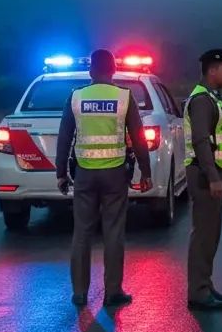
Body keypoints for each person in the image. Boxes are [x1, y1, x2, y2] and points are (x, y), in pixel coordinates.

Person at [55, 48, 152, 307]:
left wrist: (61, 173)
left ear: (90, 71)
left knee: (82, 233)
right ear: (113, 70)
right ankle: (112, 291)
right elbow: (139, 139)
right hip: (115, 174)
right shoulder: (124, 97)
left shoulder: (76, 97)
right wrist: (146, 173)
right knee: (113, 232)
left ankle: (79, 292)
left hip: (85, 174)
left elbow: (64, 137)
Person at [184, 48, 222, 311]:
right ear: (212, 70)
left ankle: (205, 284)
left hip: (212, 171)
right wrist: (213, 178)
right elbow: (201, 141)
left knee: (211, 233)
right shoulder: (202, 100)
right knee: (204, 234)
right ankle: (198, 292)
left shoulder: (213, 97)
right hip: (205, 173)